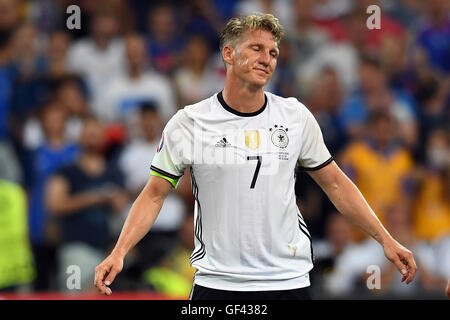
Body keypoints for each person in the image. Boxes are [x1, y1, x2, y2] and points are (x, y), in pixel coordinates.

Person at [95, 13, 416, 300]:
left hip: (287, 279)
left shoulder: (295, 116)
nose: (267, 58)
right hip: (219, 282)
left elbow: (335, 184)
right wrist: (119, 251)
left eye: (273, 52)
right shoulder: (189, 122)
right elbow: (153, 194)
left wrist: (385, 240)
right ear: (228, 54)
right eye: (257, 49)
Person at [46, 117, 128, 292]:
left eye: (96, 133)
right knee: (73, 294)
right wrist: (94, 198)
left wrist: (115, 200)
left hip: (107, 250)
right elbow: (54, 204)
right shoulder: (67, 171)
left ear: (104, 138)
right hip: (75, 248)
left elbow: (122, 206)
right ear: (80, 138)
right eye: (88, 133)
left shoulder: (114, 172)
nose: (92, 137)